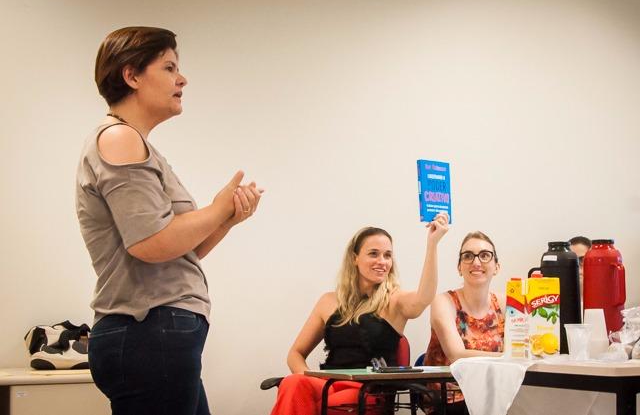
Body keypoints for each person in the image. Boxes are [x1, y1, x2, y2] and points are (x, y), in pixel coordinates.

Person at [76, 26, 263, 415]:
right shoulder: (119, 139)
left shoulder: (137, 145)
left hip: (155, 332)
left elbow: (180, 248)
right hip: (149, 331)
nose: (182, 79)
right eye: (169, 67)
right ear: (132, 76)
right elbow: (150, 243)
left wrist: (226, 218)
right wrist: (217, 208)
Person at [269, 212, 449, 415]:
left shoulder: (394, 300)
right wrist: (307, 379)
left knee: (324, 403)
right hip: (329, 383)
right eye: (373, 254)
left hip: (368, 391)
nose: (382, 261)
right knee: (293, 383)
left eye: (387, 255)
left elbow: (424, 297)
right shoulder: (328, 301)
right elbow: (295, 353)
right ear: (355, 258)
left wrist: (432, 244)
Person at [422, 231, 505, 415]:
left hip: (494, 396)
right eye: (468, 256)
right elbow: (457, 355)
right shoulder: (444, 301)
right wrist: (508, 358)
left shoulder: (504, 303)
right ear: (459, 267)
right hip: (450, 399)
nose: (476, 262)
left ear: (496, 267)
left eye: (485, 255)